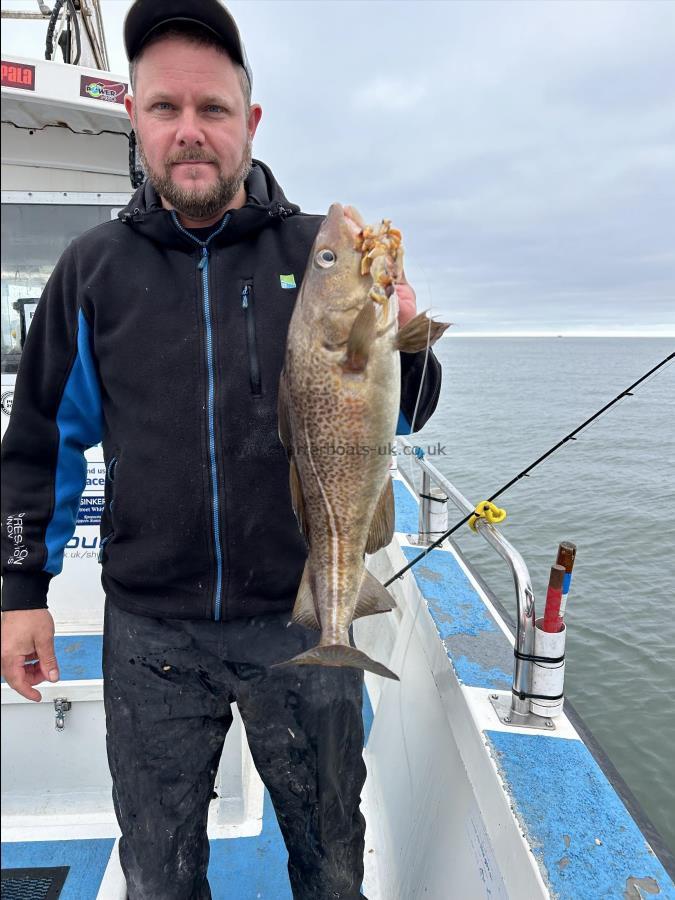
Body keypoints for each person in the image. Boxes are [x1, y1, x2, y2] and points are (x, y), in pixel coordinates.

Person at [0, 2, 442, 897]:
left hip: (298, 614)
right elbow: (38, 440)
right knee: (159, 872)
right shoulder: (92, 270)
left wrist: (408, 341)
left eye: (213, 110)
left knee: (331, 860)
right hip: (150, 634)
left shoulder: (320, 251)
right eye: (166, 109)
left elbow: (403, 415)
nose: (189, 132)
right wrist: (19, 593)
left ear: (251, 122)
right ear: (135, 116)